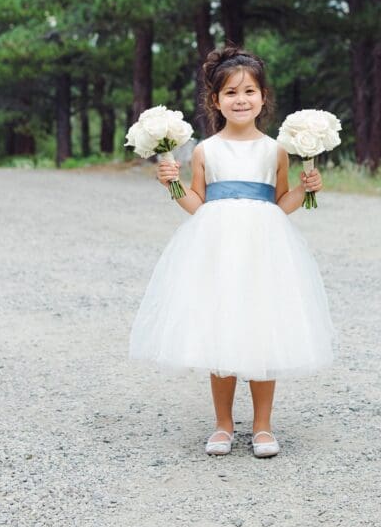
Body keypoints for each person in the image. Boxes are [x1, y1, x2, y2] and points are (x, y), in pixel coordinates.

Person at [128, 46, 333, 458]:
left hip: (263, 248)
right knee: (220, 329)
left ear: (262, 97)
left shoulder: (275, 150)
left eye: (250, 91)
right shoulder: (207, 150)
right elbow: (196, 204)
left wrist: (305, 190)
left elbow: (279, 204)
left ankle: (262, 426)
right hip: (218, 249)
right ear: (216, 101)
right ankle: (223, 425)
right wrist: (172, 184)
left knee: (262, 330)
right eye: (231, 93)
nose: (241, 100)